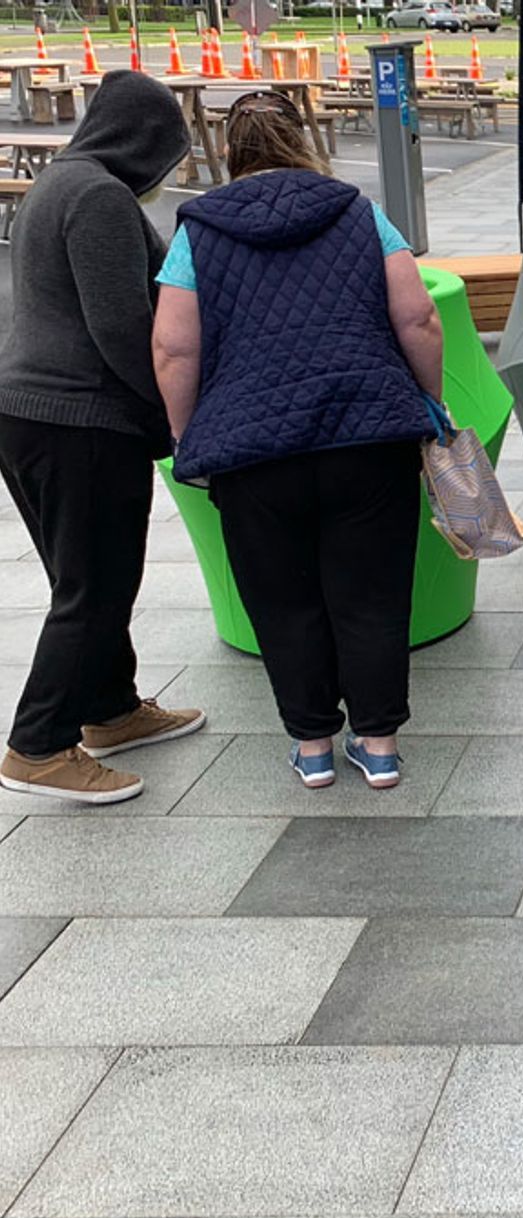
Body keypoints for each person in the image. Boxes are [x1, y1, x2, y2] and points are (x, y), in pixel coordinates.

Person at [152, 91, 443, 791]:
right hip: (367, 436)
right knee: (371, 595)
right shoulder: (357, 211)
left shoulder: (198, 230)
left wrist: (189, 435)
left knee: (283, 601)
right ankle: (377, 747)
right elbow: (419, 317)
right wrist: (427, 403)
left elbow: (173, 349)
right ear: (304, 140)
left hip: (252, 452)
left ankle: (313, 748)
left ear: (229, 151)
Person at [0, 71, 204, 805]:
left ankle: (110, 709)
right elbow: (122, 326)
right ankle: (39, 743)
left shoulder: (60, 182)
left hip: (29, 415)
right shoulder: (100, 199)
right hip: (79, 420)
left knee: (84, 575)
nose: (167, 169)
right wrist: (171, 413)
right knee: (97, 584)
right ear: (142, 141)